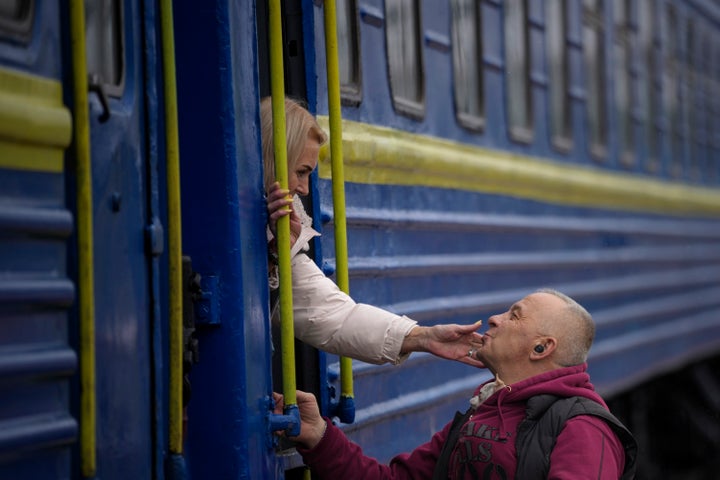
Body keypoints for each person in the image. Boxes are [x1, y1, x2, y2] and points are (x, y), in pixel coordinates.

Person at [275, 289, 638, 479]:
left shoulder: (584, 428)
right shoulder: (481, 415)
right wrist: (319, 436)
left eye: (514, 316)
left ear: (542, 347)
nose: (494, 319)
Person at [261, 96, 484, 367]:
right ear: (270, 159)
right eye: (301, 171)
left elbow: (334, 316)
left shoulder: (284, 227)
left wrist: (423, 338)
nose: (305, 189)